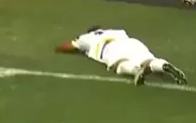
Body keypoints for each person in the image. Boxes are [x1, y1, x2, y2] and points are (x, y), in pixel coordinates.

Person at [56, 26, 187, 87]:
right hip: (131, 42)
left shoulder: (87, 37)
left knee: (120, 65)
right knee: (148, 60)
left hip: (109, 48)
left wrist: (58, 48)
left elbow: (70, 46)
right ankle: (163, 65)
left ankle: (137, 71)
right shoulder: (116, 31)